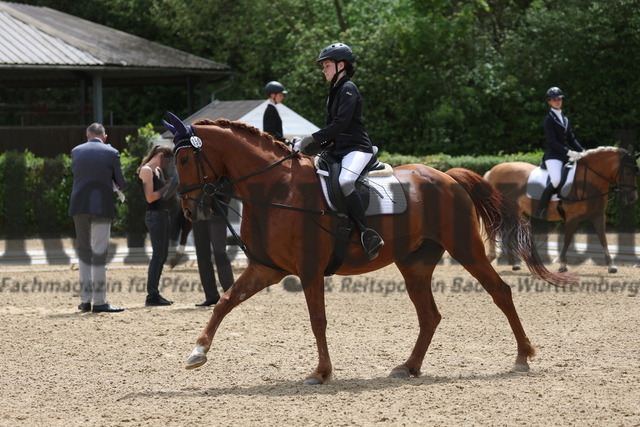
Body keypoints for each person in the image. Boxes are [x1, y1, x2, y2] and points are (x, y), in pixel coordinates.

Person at [295, 42, 384, 260]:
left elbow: (341, 125)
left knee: (345, 181)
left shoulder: (348, 88)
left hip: (357, 148)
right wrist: (313, 146)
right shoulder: (334, 92)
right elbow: (332, 131)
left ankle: (366, 233)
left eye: (326, 65)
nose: (323, 70)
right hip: (340, 149)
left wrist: (312, 139)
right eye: (323, 66)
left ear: (340, 65)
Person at [69, 123, 126, 313]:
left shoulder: (76, 151)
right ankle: (100, 302)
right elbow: (121, 182)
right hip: (101, 206)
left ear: (87, 135)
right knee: (99, 252)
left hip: (79, 205)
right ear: (105, 136)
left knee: (84, 252)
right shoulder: (112, 152)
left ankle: (85, 300)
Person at [535, 86, 586, 219]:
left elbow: (571, 138)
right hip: (553, 156)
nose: (557, 101)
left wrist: (584, 151)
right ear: (549, 102)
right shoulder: (549, 119)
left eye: (559, 99)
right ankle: (541, 210)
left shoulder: (564, 118)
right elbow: (552, 142)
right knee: (556, 180)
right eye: (554, 100)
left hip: (564, 155)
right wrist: (569, 152)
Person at [137, 145, 175, 306]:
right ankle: (151, 294)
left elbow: (164, 197)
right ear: (160, 155)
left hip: (163, 214)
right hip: (154, 215)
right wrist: (167, 186)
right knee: (158, 255)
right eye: (167, 161)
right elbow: (150, 197)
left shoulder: (157, 171)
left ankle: (155, 293)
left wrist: (174, 186)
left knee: (162, 256)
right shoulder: (146, 170)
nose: (167, 165)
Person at [192, 201, 235, 306]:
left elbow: (227, 190)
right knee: (202, 255)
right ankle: (211, 296)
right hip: (197, 214)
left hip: (216, 213)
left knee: (219, 252)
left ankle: (231, 295)